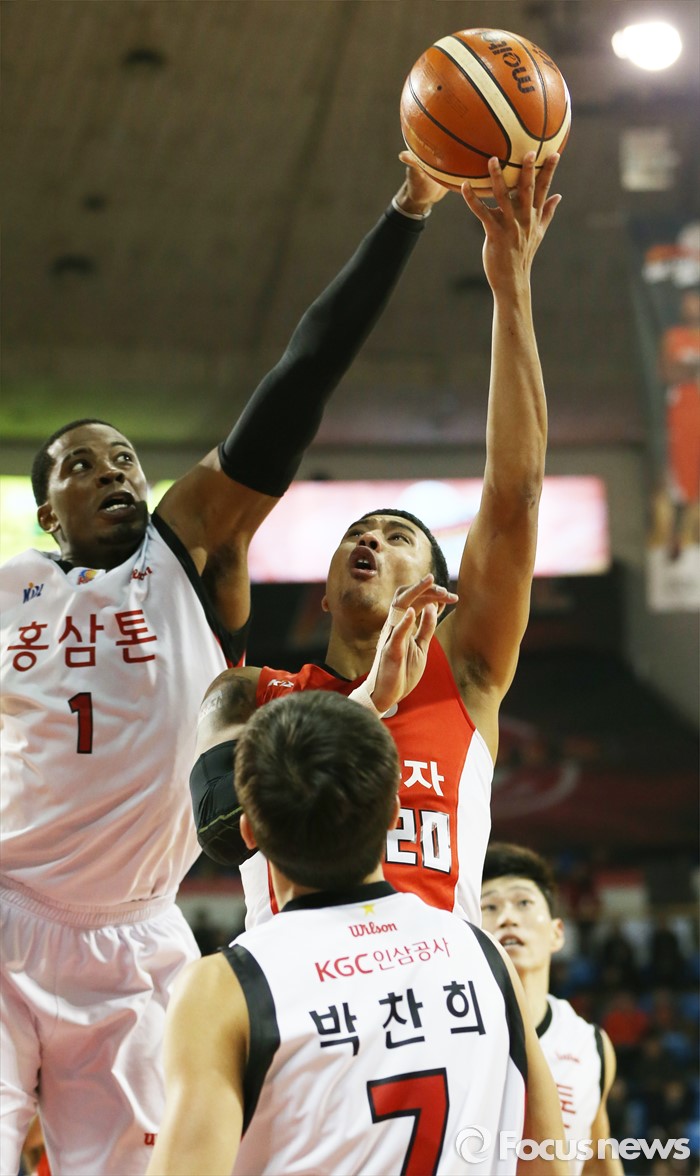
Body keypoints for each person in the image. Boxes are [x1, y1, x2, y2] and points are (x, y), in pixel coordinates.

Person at [0, 160, 448, 1176]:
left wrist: (406, 213)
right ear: (46, 511)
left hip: (136, 938)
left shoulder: (186, 553)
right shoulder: (11, 587)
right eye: (81, 464)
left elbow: (299, 378)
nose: (114, 471)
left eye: (125, 457)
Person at [190, 149, 563, 929]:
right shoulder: (250, 694)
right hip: (302, 986)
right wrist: (364, 706)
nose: (370, 541)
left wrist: (511, 285)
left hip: (438, 980)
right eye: (357, 534)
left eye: (397, 538)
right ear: (325, 594)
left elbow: (515, 497)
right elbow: (222, 832)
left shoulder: (466, 676)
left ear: (435, 591)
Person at [148, 689, 568, 1176]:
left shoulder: (223, 989)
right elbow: (549, 1164)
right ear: (392, 814)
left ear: (250, 835)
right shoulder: (482, 954)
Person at [481, 843, 623, 1176]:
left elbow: (596, 1157)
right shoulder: (446, 1030)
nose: (507, 918)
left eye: (523, 902)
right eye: (489, 906)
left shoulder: (590, 1045)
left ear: (557, 933)